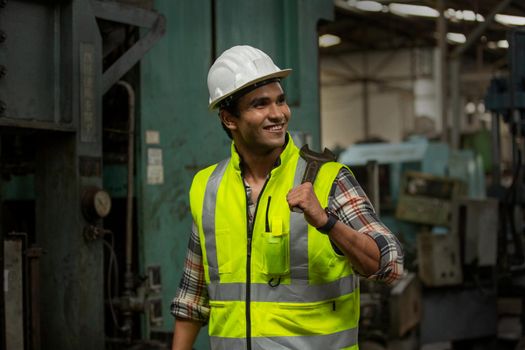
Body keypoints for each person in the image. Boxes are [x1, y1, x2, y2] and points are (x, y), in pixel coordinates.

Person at [171, 45, 403, 350]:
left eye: (281, 101)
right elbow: (192, 297)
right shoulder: (208, 187)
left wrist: (327, 222)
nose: (278, 114)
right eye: (260, 104)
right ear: (229, 119)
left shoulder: (327, 178)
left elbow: (391, 265)